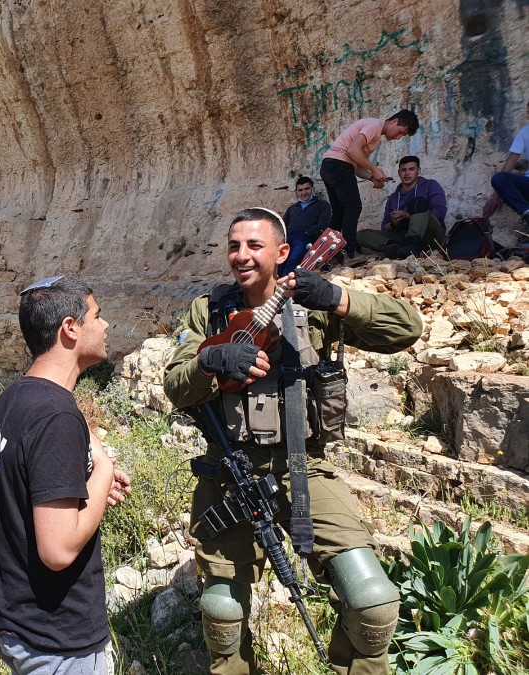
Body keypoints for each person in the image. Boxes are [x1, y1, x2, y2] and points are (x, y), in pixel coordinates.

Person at [163, 208, 422, 675]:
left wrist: (340, 299)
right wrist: (212, 363)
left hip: (306, 468)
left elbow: (408, 328)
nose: (240, 256)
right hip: (230, 473)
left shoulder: (314, 307)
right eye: (233, 246)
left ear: (282, 253)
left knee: (373, 603)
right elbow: (175, 386)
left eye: (254, 246)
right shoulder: (209, 311)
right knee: (222, 610)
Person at [0, 275, 131, 675]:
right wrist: (103, 473)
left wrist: (89, 477)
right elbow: (59, 549)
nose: (105, 325)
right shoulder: (55, 418)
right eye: (97, 315)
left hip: (14, 621)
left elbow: (30, 482)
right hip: (56, 640)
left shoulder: (15, 398)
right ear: (70, 328)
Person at [319, 110, 420, 257]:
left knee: (340, 212)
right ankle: (349, 252)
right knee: (353, 207)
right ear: (395, 121)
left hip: (330, 166)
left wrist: (372, 178)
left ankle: (326, 253)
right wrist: (374, 169)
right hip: (338, 165)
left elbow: (356, 165)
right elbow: (353, 151)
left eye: (401, 136)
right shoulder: (374, 125)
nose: (398, 137)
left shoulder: (375, 133)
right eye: (400, 132)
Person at [357, 156, 447, 257]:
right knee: (361, 235)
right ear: (399, 173)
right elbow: (384, 226)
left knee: (418, 202)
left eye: (411, 169)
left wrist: (408, 216)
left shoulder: (430, 185)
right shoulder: (393, 198)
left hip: (429, 236)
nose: (407, 173)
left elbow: (440, 212)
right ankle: (396, 248)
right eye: (403, 170)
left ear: (419, 170)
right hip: (403, 237)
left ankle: (410, 246)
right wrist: (394, 224)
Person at [484, 100, 529, 228]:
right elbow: (511, 161)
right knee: (499, 178)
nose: (527, 116)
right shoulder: (525, 132)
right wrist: (497, 194)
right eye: (528, 113)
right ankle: (526, 212)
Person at [278, 176, 332, 276]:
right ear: (296, 192)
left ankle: (283, 283)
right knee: (279, 260)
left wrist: (308, 232)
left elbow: (323, 224)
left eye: (306, 189)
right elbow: (283, 225)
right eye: (300, 190)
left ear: (313, 189)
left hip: (304, 237)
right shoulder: (292, 208)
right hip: (288, 236)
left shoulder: (322, 205)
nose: (304, 192)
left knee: (293, 260)